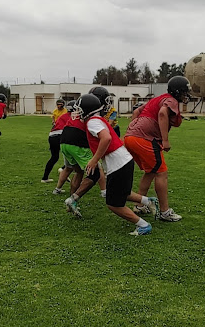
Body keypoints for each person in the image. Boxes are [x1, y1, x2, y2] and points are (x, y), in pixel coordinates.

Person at [74, 94, 159, 235]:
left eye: (80, 109)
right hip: (123, 160)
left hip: (118, 163)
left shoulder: (92, 122)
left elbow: (106, 138)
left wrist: (94, 160)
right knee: (122, 193)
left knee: (113, 204)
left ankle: (143, 225)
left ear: (87, 109)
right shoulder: (97, 119)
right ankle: (148, 201)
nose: (77, 113)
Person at [124, 76, 190, 222]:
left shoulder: (158, 98)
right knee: (161, 173)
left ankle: (140, 205)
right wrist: (165, 140)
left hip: (131, 137)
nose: (186, 95)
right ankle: (165, 212)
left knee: (151, 171)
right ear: (178, 91)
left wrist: (135, 128)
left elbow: (136, 112)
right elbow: (162, 113)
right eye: (185, 92)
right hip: (144, 139)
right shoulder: (171, 100)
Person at [42, 100, 73, 183]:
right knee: (72, 156)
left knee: (54, 157)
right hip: (60, 136)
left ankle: (45, 178)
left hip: (52, 135)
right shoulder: (72, 117)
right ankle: (63, 170)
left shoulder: (64, 115)